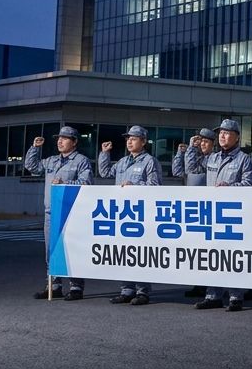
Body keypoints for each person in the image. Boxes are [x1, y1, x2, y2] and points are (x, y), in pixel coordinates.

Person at [193, 118, 252, 312]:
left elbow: (249, 184)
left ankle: (236, 296)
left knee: (233, 256)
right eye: (220, 133)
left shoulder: (244, 159)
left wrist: (230, 187)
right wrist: (191, 149)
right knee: (213, 255)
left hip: (233, 214)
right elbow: (191, 169)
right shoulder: (212, 158)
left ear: (236, 137)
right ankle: (213, 295)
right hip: (213, 213)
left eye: (227, 133)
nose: (222, 136)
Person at [24, 126, 93, 301]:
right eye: (58, 138)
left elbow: (86, 183)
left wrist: (65, 184)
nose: (60, 141)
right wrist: (35, 148)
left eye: (65, 138)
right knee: (51, 249)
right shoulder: (51, 161)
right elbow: (32, 166)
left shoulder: (81, 161)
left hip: (71, 213)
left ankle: (76, 286)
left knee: (72, 249)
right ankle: (54, 285)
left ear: (74, 142)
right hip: (51, 213)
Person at [96, 125, 161, 305]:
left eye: (134, 138)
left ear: (143, 141)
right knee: (124, 253)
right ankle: (126, 289)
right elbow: (105, 173)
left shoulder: (150, 161)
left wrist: (135, 187)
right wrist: (104, 154)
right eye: (128, 138)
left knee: (140, 253)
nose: (129, 141)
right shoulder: (123, 162)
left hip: (140, 214)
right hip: (122, 214)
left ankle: (142, 291)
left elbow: (155, 186)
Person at [173, 128, 215, 298]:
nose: (202, 144)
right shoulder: (196, 157)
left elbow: (192, 169)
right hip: (195, 208)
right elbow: (178, 171)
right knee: (197, 250)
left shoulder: (213, 159)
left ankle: (210, 286)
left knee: (209, 250)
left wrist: (190, 150)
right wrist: (180, 154)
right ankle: (200, 283)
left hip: (209, 209)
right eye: (200, 141)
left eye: (206, 142)